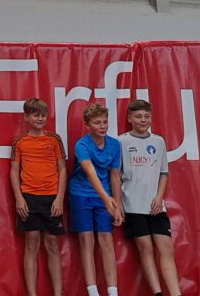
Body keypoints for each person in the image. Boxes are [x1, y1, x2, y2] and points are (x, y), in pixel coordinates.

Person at [120, 100, 182, 296]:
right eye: (138, 116)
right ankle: (157, 293)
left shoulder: (158, 141)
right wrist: (118, 203)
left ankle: (176, 293)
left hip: (155, 206)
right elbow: (115, 175)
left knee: (166, 249)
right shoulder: (121, 142)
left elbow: (164, 173)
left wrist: (159, 197)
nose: (143, 120)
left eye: (146, 116)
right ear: (130, 118)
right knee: (145, 248)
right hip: (132, 205)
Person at [10, 98, 66, 296]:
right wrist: (19, 198)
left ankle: (58, 293)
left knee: (52, 244)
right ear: (26, 117)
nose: (40, 118)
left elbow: (62, 169)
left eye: (43, 115)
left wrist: (59, 198)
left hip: (51, 198)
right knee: (31, 242)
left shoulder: (54, 139)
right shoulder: (19, 142)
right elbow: (14, 172)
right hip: (29, 198)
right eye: (35, 115)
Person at [69, 103, 123, 296]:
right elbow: (91, 173)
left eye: (105, 122)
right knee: (86, 240)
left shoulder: (115, 145)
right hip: (81, 195)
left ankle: (113, 292)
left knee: (106, 240)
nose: (102, 126)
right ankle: (93, 291)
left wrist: (117, 204)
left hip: (105, 196)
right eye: (97, 122)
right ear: (87, 125)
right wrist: (107, 200)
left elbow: (115, 175)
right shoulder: (82, 145)